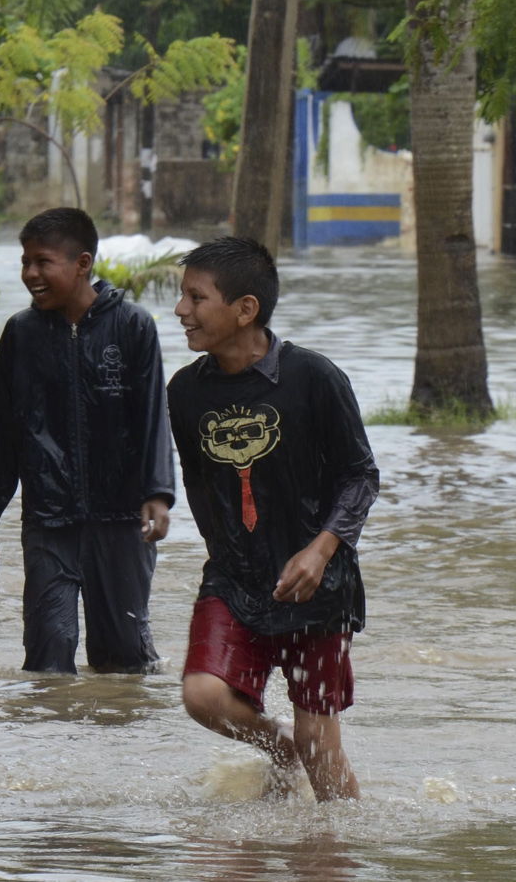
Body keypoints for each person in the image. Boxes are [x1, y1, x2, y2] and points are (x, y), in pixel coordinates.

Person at [167, 236, 378, 802]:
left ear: (245, 309)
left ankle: (336, 850)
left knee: (319, 738)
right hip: (234, 576)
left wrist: (320, 549)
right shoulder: (185, 391)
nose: (181, 310)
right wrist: (229, 557)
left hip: (319, 582)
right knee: (203, 696)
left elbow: (361, 476)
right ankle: (277, 747)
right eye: (181, 296)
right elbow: (198, 483)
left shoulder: (314, 378)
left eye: (195, 297)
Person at [0, 207, 175, 673]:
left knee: (123, 660)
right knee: (47, 652)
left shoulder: (133, 326)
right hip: (48, 518)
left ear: (82, 264)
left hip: (121, 520)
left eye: (42, 262)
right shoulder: (22, 334)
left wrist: (158, 493)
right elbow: (0, 431)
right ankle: (47, 738)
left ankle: (119, 740)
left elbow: (152, 419)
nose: (30, 274)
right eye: (25, 263)